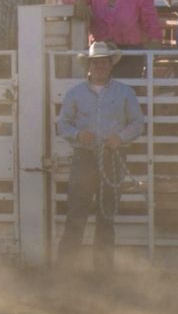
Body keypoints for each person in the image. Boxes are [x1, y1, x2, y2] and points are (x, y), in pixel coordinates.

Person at [56, 42, 145, 272]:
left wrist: (120, 138)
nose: (100, 66)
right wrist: (78, 134)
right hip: (84, 157)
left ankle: (103, 273)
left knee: (106, 219)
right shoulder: (75, 94)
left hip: (112, 157)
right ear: (89, 65)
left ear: (110, 65)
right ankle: (65, 272)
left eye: (104, 62)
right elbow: (63, 125)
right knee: (76, 214)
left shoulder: (125, 92)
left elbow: (137, 123)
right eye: (96, 62)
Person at [61, 0, 163, 78]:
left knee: (126, 90)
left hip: (130, 53)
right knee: (100, 90)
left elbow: (151, 23)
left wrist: (154, 42)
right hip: (101, 51)